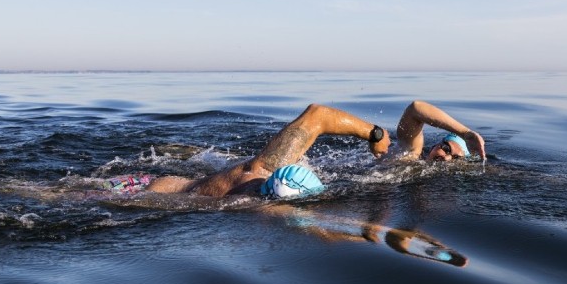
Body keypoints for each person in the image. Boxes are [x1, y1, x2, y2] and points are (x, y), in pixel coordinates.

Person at [147, 103, 391, 197]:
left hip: (162, 186)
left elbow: (318, 115)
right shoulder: (262, 171)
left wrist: (375, 134)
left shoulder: (261, 172)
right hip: (156, 188)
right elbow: (318, 114)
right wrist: (375, 134)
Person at [392, 100, 486, 164]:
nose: (446, 158)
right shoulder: (411, 153)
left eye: (456, 158)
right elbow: (415, 108)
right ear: (434, 146)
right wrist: (465, 133)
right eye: (446, 149)